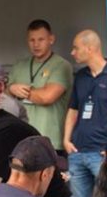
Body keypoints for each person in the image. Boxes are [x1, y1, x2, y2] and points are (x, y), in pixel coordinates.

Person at [63, 30, 107, 197]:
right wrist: (66, 140)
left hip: (100, 152)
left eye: (76, 47)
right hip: (77, 151)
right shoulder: (81, 76)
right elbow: (73, 109)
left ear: (90, 48)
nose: (72, 52)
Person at [8, 19, 73, 152]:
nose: (36, 44)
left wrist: (21, 92)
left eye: (41, 39)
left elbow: (47, 97)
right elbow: (2, 95)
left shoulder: (61, 65)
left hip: (51, 141)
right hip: (21, 141)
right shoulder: (19, 65)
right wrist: (10, 88)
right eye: (32, 40)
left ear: (51, 39)